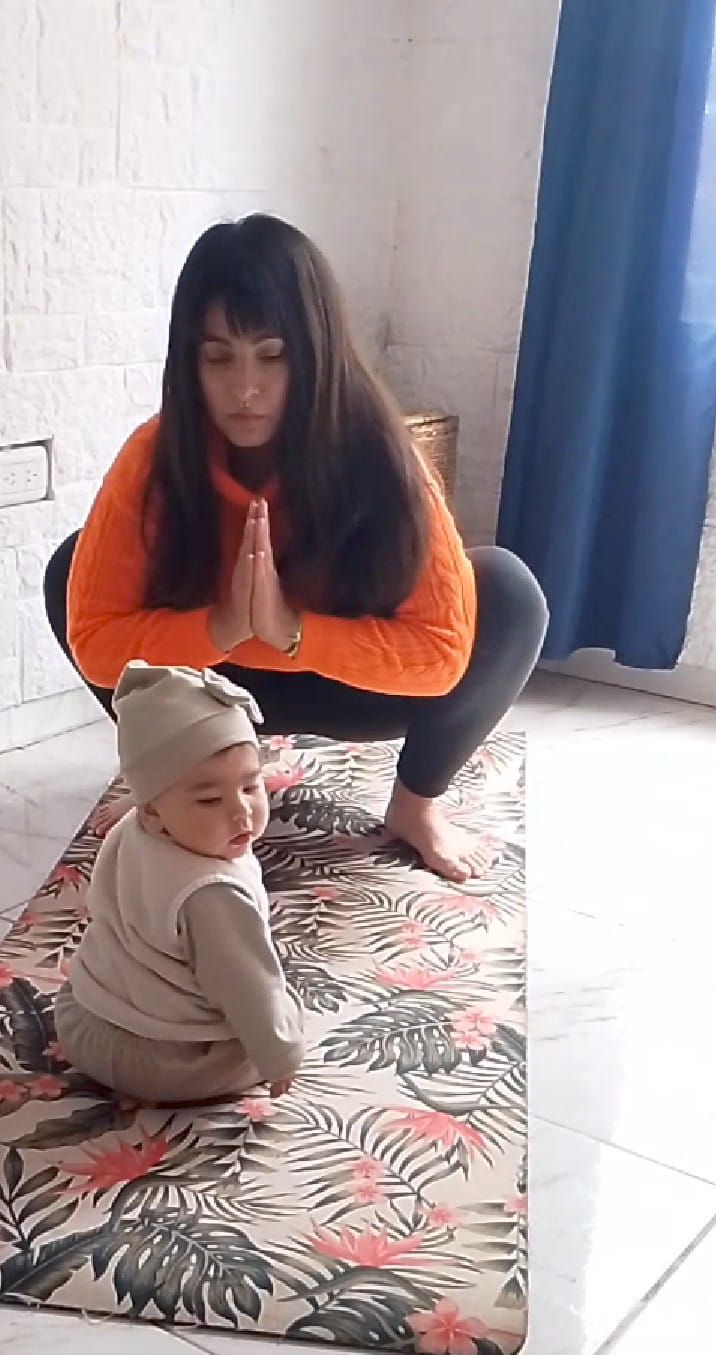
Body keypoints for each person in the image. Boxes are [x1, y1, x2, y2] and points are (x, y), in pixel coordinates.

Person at [44, 214, 548, 883]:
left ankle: (415, 806)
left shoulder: (379, 455)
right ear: (187, 360)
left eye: (272, 355)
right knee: (70, 567)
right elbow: (98, 642)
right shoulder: (154, 457)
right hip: (215, 688)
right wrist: (223, 626)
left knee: (508, 591)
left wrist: (290, 632)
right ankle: (190, 783)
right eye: (218, 357)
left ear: (313, 352)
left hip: (353, 685)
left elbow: (442, 654)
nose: (244, 389)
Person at [56, 661, 305, 1105]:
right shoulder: (212, 892)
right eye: (209, 799)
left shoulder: (134, 827)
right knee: (278, 1010)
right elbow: (245, 985)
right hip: (160, 1057)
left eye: (251, 787)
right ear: (153, 807)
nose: (241, 812)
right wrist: (279, 1055)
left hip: (84, 1014)